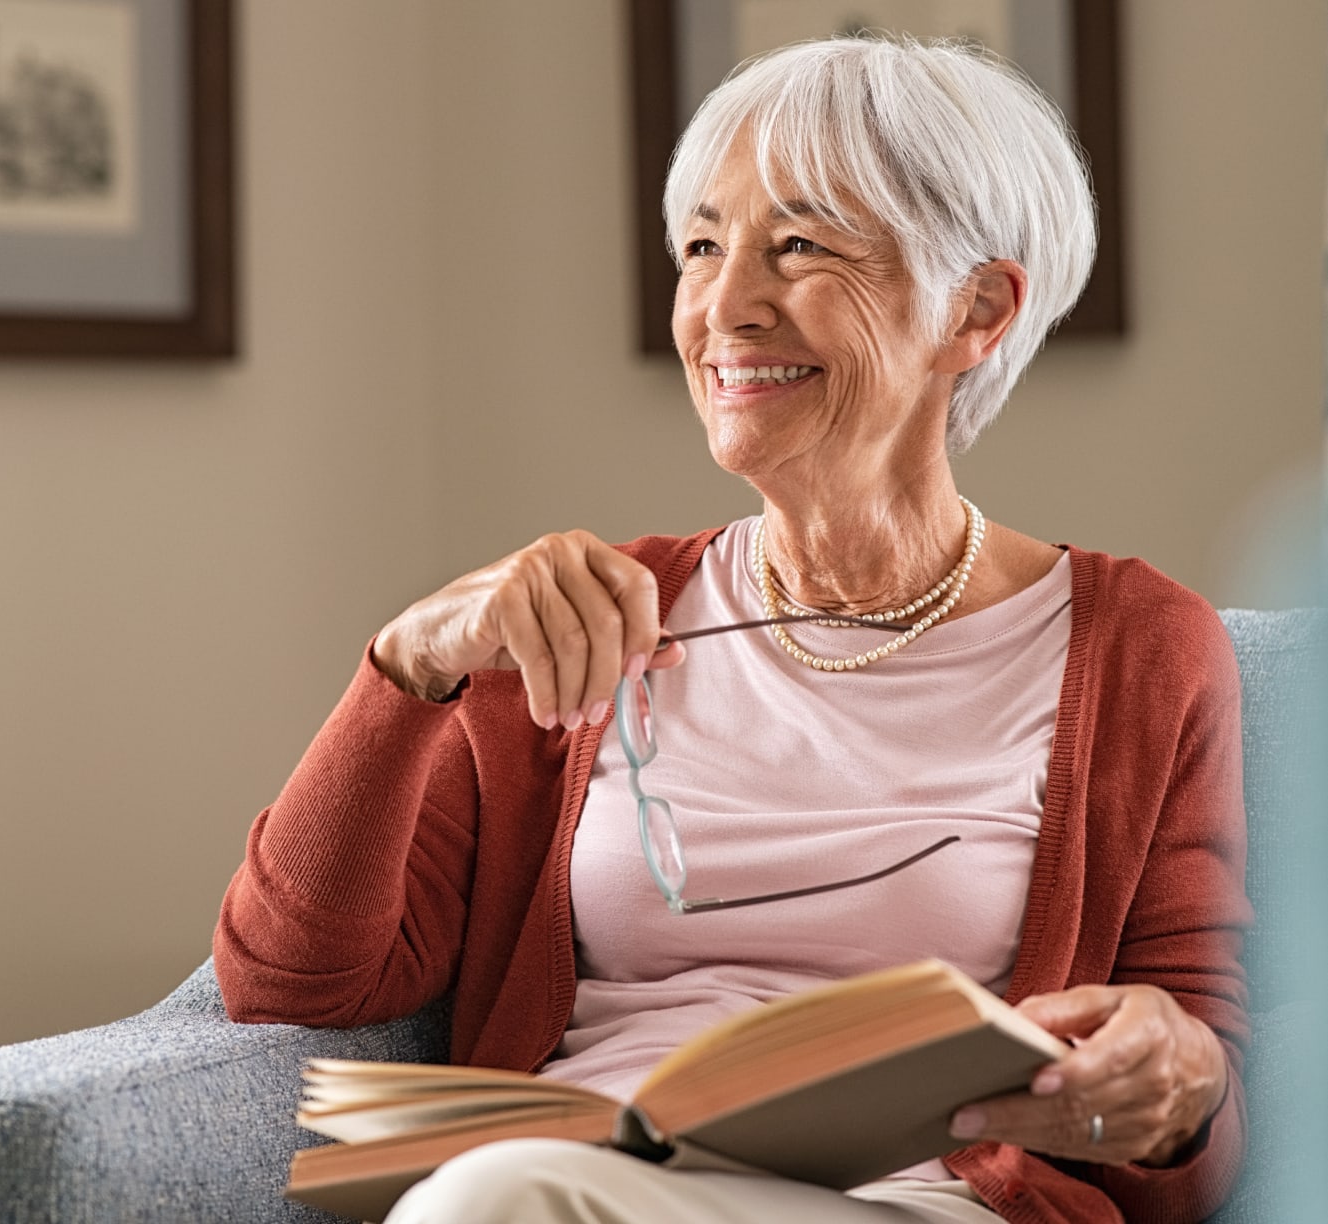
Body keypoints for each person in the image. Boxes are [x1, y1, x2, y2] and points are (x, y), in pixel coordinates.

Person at [214, 34, 1250, 1223]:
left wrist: (1184, 1083)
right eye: (702, 247)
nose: (724, 307)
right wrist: (410, 668)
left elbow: (1198, 1106)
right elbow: (290, 981)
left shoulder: (1137, 649)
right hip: (588, 1176)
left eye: (798, 247)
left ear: (977, 308)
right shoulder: (584, 621)